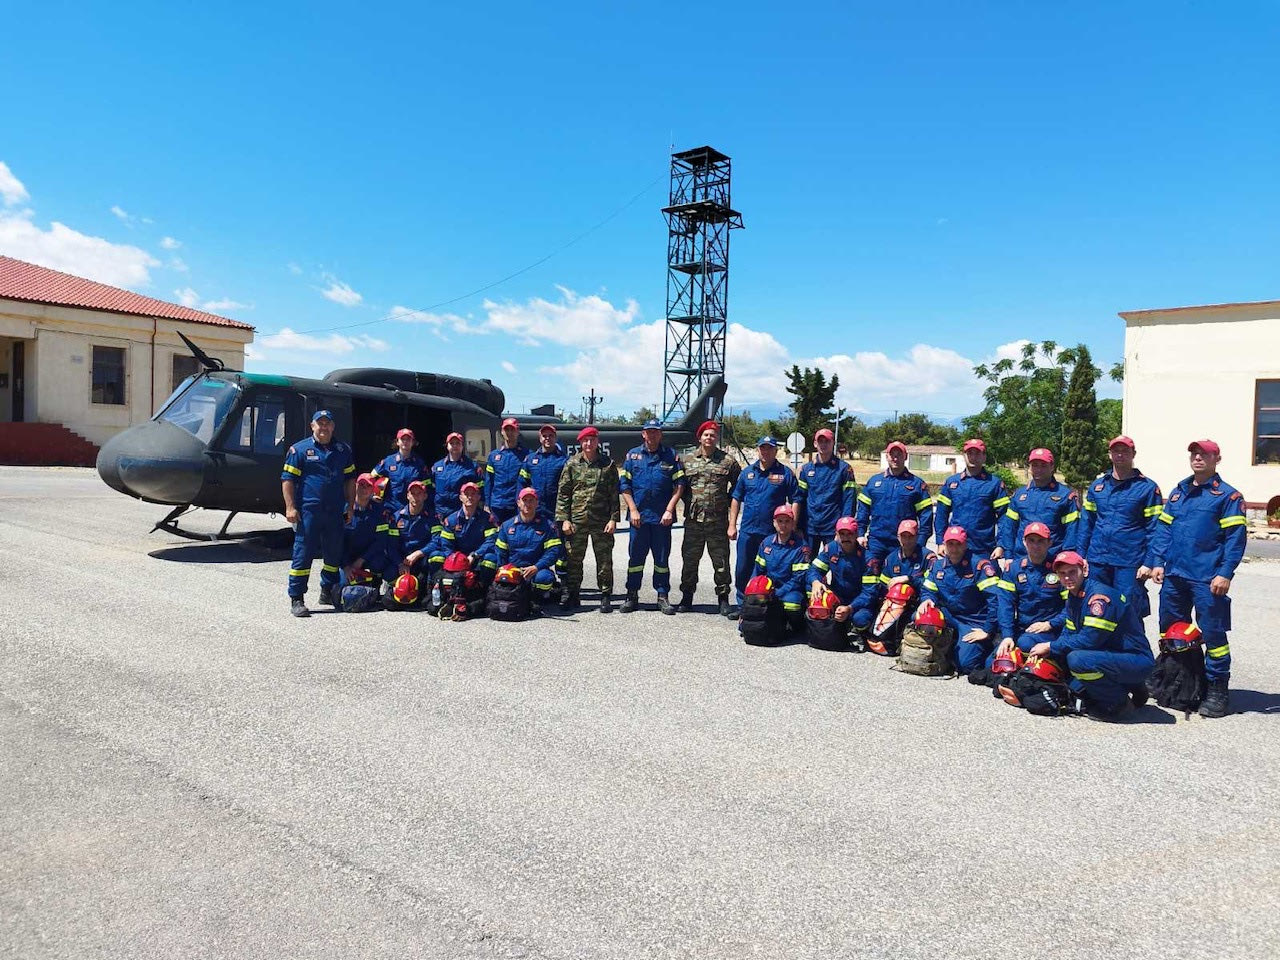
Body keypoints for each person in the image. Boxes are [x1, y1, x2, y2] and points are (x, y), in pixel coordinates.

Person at [1149, 439, 1247, 718]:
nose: (1198, 457)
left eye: (1204, 454)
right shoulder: (1178, 492)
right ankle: (1174, 680)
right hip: (1175, 576)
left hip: (1207, 578)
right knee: (1170, 631)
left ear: (1217, 459)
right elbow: (1163, 531)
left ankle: (1217, 689)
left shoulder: (1228, 497)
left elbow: (1235, 539)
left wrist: (1225, 573)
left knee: (1214, 635)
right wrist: (1157, 562)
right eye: (1194, 453)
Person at [1028, 551, 1155, 722]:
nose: (1067, 578)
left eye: (1072, 572)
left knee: (1077, 660)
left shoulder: (1098, 599)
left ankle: (1118, 704)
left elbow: (1089, 640)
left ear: (1085, 570)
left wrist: (1050, 646)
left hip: (1136, 659)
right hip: (1115, 654)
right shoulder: (1074, 595)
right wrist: (1053, 651)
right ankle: (1132, 685)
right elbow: (1069, 632)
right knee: (1072, 678)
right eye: (1062, 574)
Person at [1077, 435, 1163, 619]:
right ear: (1110, 454)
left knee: (1128, 612)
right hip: (1098, 560)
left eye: (1125, 451)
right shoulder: (1098, 486)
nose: (1120, 455)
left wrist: (1149, 562)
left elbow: (1155, 529)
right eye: (1116, 451)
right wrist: (1080, 556)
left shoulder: (1147, 488)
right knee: (1096, 609)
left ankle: (1132, 640)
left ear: (1134, 454)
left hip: (1129, 562)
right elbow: (1086, 524)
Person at [281, 409, 356, 617]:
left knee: (333, 554)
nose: (324, 427)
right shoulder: (299, 450)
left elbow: (350, 479)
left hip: (335, 511)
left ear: (333, 426)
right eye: (320, 423)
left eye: (327, 423)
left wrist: (350, 506)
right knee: (303, 554)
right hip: (309, 512)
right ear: (312, 426)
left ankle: (328, 591)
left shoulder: (343, 450)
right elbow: (287, 479)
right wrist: (290, 507)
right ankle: (297, 598)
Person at [619, 418, 685, 614]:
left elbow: (679, 485)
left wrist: (670, 509)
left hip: (662, 519)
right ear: (643, 434)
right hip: (638, 519)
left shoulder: (671, 456)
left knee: (662, 561)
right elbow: (624, 485)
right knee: (635, 560)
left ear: (660, 434)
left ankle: (662, 596)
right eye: (649, 431)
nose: (652, 435)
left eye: (656, 431)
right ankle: (631, 595)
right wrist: (632, 510)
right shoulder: (632, 456)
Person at [728, 437, 798, 616]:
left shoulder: (785, 473)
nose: (766, 451)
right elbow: (736, 498)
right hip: (748, 530)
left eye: (770, 448)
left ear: (776, 451)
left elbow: (796, 500)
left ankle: (765, 605)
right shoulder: (747, 473)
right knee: (743, 569)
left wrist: (793, 525)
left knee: (768, 571)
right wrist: (732, 525)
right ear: (758, 450)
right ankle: (743, 606)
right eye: (763, 448)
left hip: (772, 534)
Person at [678, 419, 741, 615]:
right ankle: (687, 597)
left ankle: (723, 599)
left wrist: (729, 515)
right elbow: (679, 487)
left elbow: (738, 490)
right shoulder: (686, 461)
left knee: (721, 562)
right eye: (706, 435)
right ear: (700, 438)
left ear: (716, 438)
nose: (709, 438)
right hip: (693, 521)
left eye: (713, 435)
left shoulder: (728, 461)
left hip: (718, 521)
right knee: (690, 561)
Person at [555, 426, 620, 613]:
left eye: (592, 440)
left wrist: (613, 519)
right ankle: (573, 594)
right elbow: (564, 493)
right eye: (585, 440)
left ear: (597, 441)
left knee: (604, 559)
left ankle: (605, 595)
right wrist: (564, 520)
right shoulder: (572, 464)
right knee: (574, 558)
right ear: (580, 443)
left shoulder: (608, 464)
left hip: (601, 520)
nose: (589, 443)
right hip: (577, 520)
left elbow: (614, 494)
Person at [921, 525, 1001, 675]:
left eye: (958, 544)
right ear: (944, 545)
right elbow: (927, 590)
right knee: (920, 616)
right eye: (950, 543)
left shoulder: (979, 566)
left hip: (973, 621)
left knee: (965, 665)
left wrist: (988, 630)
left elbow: (995, 600)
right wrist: (927, 599)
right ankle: (949, 646)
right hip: (949, 616)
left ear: (966, 545)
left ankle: (991, 643)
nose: (954, 548)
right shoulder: (937, 566)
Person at [992, 522, 1068, 662]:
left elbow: (1071, 607)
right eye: (1031, 540)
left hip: (1051, 630)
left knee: (1025, 644)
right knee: (992, 662)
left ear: (1049, 543)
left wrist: (1050, 624)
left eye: (1040, 541)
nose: (1035, 545)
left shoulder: (1060, 569)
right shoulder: (1013, 569)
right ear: (1024, 542)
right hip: (1023, 628)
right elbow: (1005, 605)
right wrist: (1007, 636)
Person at [856, 441, 934, 566]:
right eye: (892, 454)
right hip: (876, 542)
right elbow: (863, 511)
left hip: (904, 543)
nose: (895, 458)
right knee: (871, 575)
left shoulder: (917, 484)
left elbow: (926, 517)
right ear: (887, 456)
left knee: (900, 578)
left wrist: (919, 543)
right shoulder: (874, 482)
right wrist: (860, 534)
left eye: (899, 454)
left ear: (906, 456)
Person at [932, 438, 1010, 561]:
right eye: (969, 453)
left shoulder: (994, 484)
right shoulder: (952, 483)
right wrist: (940, 541)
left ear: (984, 457)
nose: (973, 457)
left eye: (977, 453)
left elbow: (1004, 517)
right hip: (955, 546)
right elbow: (941, 514)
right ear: (964, 456)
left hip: (984, 548)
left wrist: (1001, 545)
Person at [1000, 448, 1080, 561]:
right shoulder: (1019, 495)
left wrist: (1067, 558)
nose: (1038, 469)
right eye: (1035, 465)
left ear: (1052, 467)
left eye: (1043, 465)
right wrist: (1008, 556)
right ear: (1030, 467)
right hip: (1021, 558)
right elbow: (1009, 527)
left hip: (1052, 559)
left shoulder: (1064, 496)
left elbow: (1072, 530)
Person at [808, 516, 879, 641]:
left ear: (856, 534)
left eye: (849, 534)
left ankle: (861, 633)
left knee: (860, 620)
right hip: (838, 598)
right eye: (842, 534)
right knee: (812, 590)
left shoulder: (868, 559)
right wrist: (815, 582)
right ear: (836, 534)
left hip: (859, 602)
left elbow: (870, 593)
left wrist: (850, 608)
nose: (846, 538)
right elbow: (814, 570)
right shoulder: (830, 549)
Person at [494, 488, 565, 605]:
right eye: (525, 500)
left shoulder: (547, 526)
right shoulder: (507, 526)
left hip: (536, 570)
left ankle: (537, 599)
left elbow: (553, 551)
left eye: (531, 500)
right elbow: (500, 552)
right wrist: (505, 570)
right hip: (513, 570)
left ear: (537, 503)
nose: (528, 504)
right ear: (518, 503)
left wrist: (536, 567)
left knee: (544, 578)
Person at [795, 428, 858, 555]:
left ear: (833, 443)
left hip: (833, 528)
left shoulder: (844, 469)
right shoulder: (806, 470)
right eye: (820, 441)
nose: (823, 444)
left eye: (827, 441)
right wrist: (798, 527)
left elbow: (849, 500)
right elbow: (800, 498)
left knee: (836, 562)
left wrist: (843, 529)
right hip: (810, 528)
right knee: (806, 562)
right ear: (815, 444)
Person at [750, 505, 811, 633]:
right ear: (774, 523)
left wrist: (778, 593)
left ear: (793, 523)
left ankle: (795, 627)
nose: (783, 525)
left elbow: (798, 579)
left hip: (791, 590)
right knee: (754, 602)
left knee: (791, 604)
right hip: (770, 589)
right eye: (780, 521)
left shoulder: (801, 547)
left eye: (787, 521)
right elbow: (758, 571)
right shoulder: (766, 543)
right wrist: (753, 592)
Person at [426, 480, 500, 581]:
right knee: (436, 556)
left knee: (490, 559)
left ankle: (482, 587)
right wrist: (455, 559)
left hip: (476, 558)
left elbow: (490, 541)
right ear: (460, 497)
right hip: (455, 560)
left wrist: (475, 554)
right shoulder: (451, 520)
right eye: (466, 494)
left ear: (479, 497)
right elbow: (446, 544)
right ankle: (437, 584)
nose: (469, 497)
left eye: (473, 494)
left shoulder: (487, 519)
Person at [342, 473, 399, 585]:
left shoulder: (379, 511)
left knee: (384, 566)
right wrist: (345, 566)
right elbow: (336, 541)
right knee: (342, 584)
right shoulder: (345, 510)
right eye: (361, 485)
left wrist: (361, 560)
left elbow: (381, 541)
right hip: (346, 558)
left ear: (373, 490)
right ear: (355, 486)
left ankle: (374, 583)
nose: (364, 489)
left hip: (368, 557)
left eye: (368, 486)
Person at [392, 479, 442, 581]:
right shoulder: (396, 517)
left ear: (425, 496)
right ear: (408, 496)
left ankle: (431, 585)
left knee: (436, 556)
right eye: (413, 493)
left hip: (422, 557)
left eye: (419, 493)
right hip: (402, 559)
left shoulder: (433, 517)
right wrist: (400, 563)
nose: (415, 497)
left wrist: (419, 553)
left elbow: (437, 540)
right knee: (389, 572)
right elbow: (391, 544)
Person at [370, 428, 429, 512]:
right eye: (402, 439)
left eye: (408, 439)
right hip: (391, 509)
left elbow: (427, 484)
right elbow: (370, 477)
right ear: (397, 442)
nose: (405, 442)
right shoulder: (388, 461)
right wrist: (372, 495)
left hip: (412, 509)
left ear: (413, 442)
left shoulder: (419, 463)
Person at [519, 425, 568, 521]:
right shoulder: (530, 459)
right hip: (535, 509)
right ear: (540, 438)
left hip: (556, 509)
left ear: (555, 438)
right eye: (544, 436)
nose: (547, 438)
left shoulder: (564, 460)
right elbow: (522, 483)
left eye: (551, 435)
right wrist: (521, 505)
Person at [432, 432, 484, 522]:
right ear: (447, 446)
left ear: (462, 446)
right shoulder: (437, 466)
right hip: (440, 513)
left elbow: (481, 489)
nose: (455, 446)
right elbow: (431, 488)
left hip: (460, 513)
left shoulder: (472, 467)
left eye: (458, 443)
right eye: (452, 443)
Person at [485, 417, 529, 523]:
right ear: (502, 432)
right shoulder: (493, 456)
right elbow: (489, 482)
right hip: (497, 505)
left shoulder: (527, 455)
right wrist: (487, 504)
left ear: (517, 431)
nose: (509, 433)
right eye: (506, 430)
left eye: (512, 430)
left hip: (517, 506)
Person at [878, 519, 934, 596]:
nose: (907, 540)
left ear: (917, 537)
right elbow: (884, 587)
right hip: (896, 600)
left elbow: (932, 584)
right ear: (898, 537)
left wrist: (909, 579)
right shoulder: (891, 559)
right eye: (903, 536)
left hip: (921, 599)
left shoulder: (928, 557)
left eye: (911, 536)